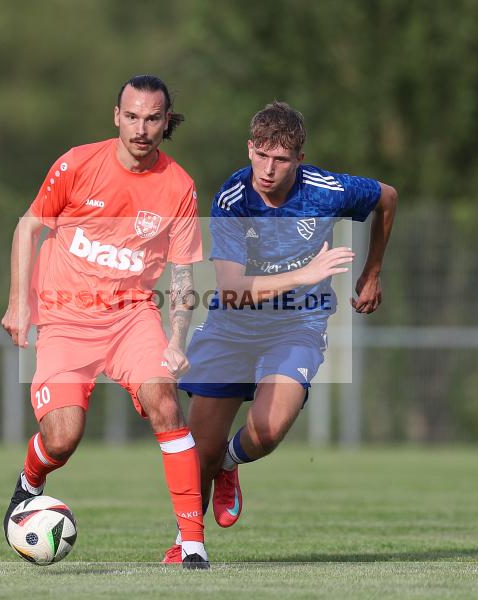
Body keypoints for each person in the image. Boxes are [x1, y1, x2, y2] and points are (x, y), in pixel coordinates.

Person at [163, 101, 397, 562]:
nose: (269, 169)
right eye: (262, 155)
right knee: (199, 453)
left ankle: (232, 465)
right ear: (250, 149)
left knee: (267, 432)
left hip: (297, 324)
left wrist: (372, 272)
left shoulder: (327, 190)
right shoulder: (232, 200)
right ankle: (188, 544)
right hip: (233, 327)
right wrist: (304, 273)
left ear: (299, 160)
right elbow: (231, 291)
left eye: (282, 159)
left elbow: (387, 197)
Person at [1, 75, 209, 569]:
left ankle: (192, 545)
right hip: (65, 318)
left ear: (166, 122)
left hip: (131, 316)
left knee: (165, 402)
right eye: (132, 116)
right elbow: (29, 226)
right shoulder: (77, 164)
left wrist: (177, 338)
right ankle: (31, 481)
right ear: (116, 116)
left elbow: (183, 275)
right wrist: (18, 303)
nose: (141, 128)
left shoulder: (178, 187)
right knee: (63, 438)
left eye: (152, 118)